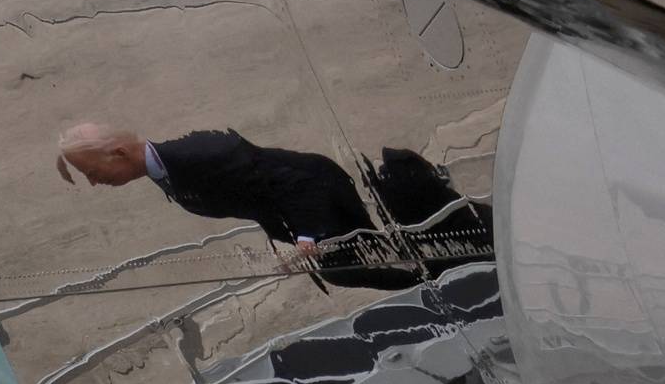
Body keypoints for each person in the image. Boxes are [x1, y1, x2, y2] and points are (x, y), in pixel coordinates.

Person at [56, 123, 421, 292]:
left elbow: (290, 183)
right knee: (350, 267)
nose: (94, 181)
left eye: (92, 172)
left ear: (118, 154)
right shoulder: (166, 171)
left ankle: (429, 278)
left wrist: (308, 235)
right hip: (295, 209)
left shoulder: (200, 157)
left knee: (350, 267)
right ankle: (424, 277)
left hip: (317, 191)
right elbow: (255, 199)